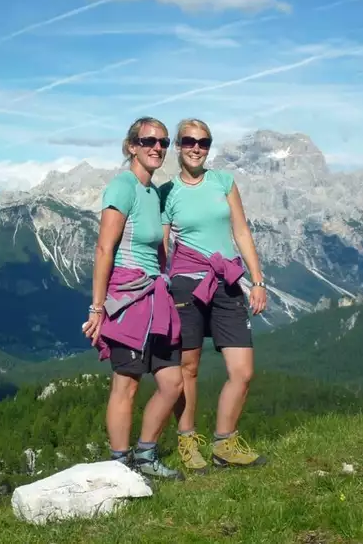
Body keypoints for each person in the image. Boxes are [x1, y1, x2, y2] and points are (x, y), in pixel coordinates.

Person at [159, 118, 268, 473]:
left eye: (204, 142)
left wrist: (258, 279)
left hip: (228, 281)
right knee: (187, 368)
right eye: (189, 141)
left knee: (243, 370)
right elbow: (161, 244)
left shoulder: (224, 182)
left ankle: (225, 444)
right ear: (178, 145)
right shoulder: (167, 192)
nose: (196, 147)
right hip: (185, 285)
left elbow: (240, 230)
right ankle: (188, 442)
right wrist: (156, 284)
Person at [83, 116, 184, 480]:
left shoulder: (153, 193)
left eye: (164, 142)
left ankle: (145, 455)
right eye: (148, 141)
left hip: (156, 295)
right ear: (131, 147)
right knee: (125, 384)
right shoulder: (122, 187)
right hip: (127, 297)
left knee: (172, 382)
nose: (157, 147)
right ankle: (119, 464)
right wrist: (98, 309)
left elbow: (158, 248)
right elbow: (104, 248)